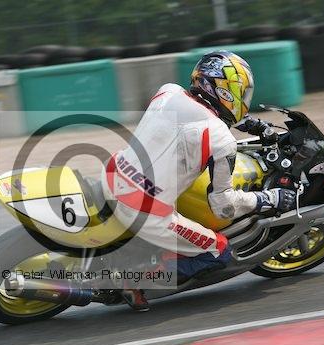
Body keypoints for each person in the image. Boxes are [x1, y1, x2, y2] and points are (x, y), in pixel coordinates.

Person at [101, 51, 296, 311]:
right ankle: (134, 279)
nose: (244, 99)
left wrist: (251, 124)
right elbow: (223, 206)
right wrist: (268, 198)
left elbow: (194, 115)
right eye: (242, 93)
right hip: (143, 209)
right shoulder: (222, 140)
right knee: (219, 253)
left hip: (113, 173)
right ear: (226, 91)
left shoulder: (167, 92)